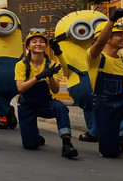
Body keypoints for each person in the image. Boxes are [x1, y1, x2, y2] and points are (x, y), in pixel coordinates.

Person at [15, 29, 78, 158]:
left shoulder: (52, 64)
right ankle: (34, 135)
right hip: (27, 105)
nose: (38, 44)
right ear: (28, 46)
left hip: (45, 103)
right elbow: (20, 88)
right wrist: (38, 77)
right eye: (34, 41)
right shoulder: (21, 65)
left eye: (41, 42)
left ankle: (67, 143)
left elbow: (55, 90)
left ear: (46, 46)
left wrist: (50, 76)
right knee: (30, 145)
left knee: (60, 107)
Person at [87, 8, 123, 158]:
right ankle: (116, 142)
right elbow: (100, 42)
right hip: (105, 108)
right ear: (108, 38)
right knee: (109, 152)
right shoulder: (95, 58)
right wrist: (112, 19)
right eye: (118, 35)